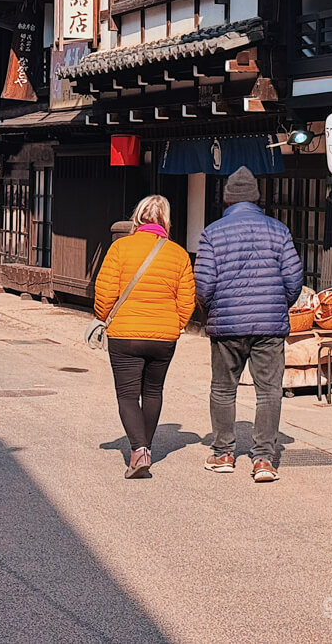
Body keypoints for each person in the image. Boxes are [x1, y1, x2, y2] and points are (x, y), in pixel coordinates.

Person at [195, 166, 303, 483]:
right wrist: (276, 304)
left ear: (227, 200)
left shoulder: (212, 233)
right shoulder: (279, 230)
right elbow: (294, 280)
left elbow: (203, 285)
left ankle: (223, 453)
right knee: (268, 391)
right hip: (269, 325)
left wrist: (215, 308)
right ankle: (264, 460)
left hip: (226, 324)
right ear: (256, 199)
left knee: (223, 388)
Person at [93, 195, 195, 480]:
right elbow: (187, 300)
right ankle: (145, 449)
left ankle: (138, 450)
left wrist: (104, 317)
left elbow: (104, 292)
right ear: (165, 221)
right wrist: (176, 325)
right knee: (153, 391)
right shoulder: (178, 254)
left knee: (127, 395)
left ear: (137, 219)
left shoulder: (120, 248)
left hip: (125, 334)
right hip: (164, 336)